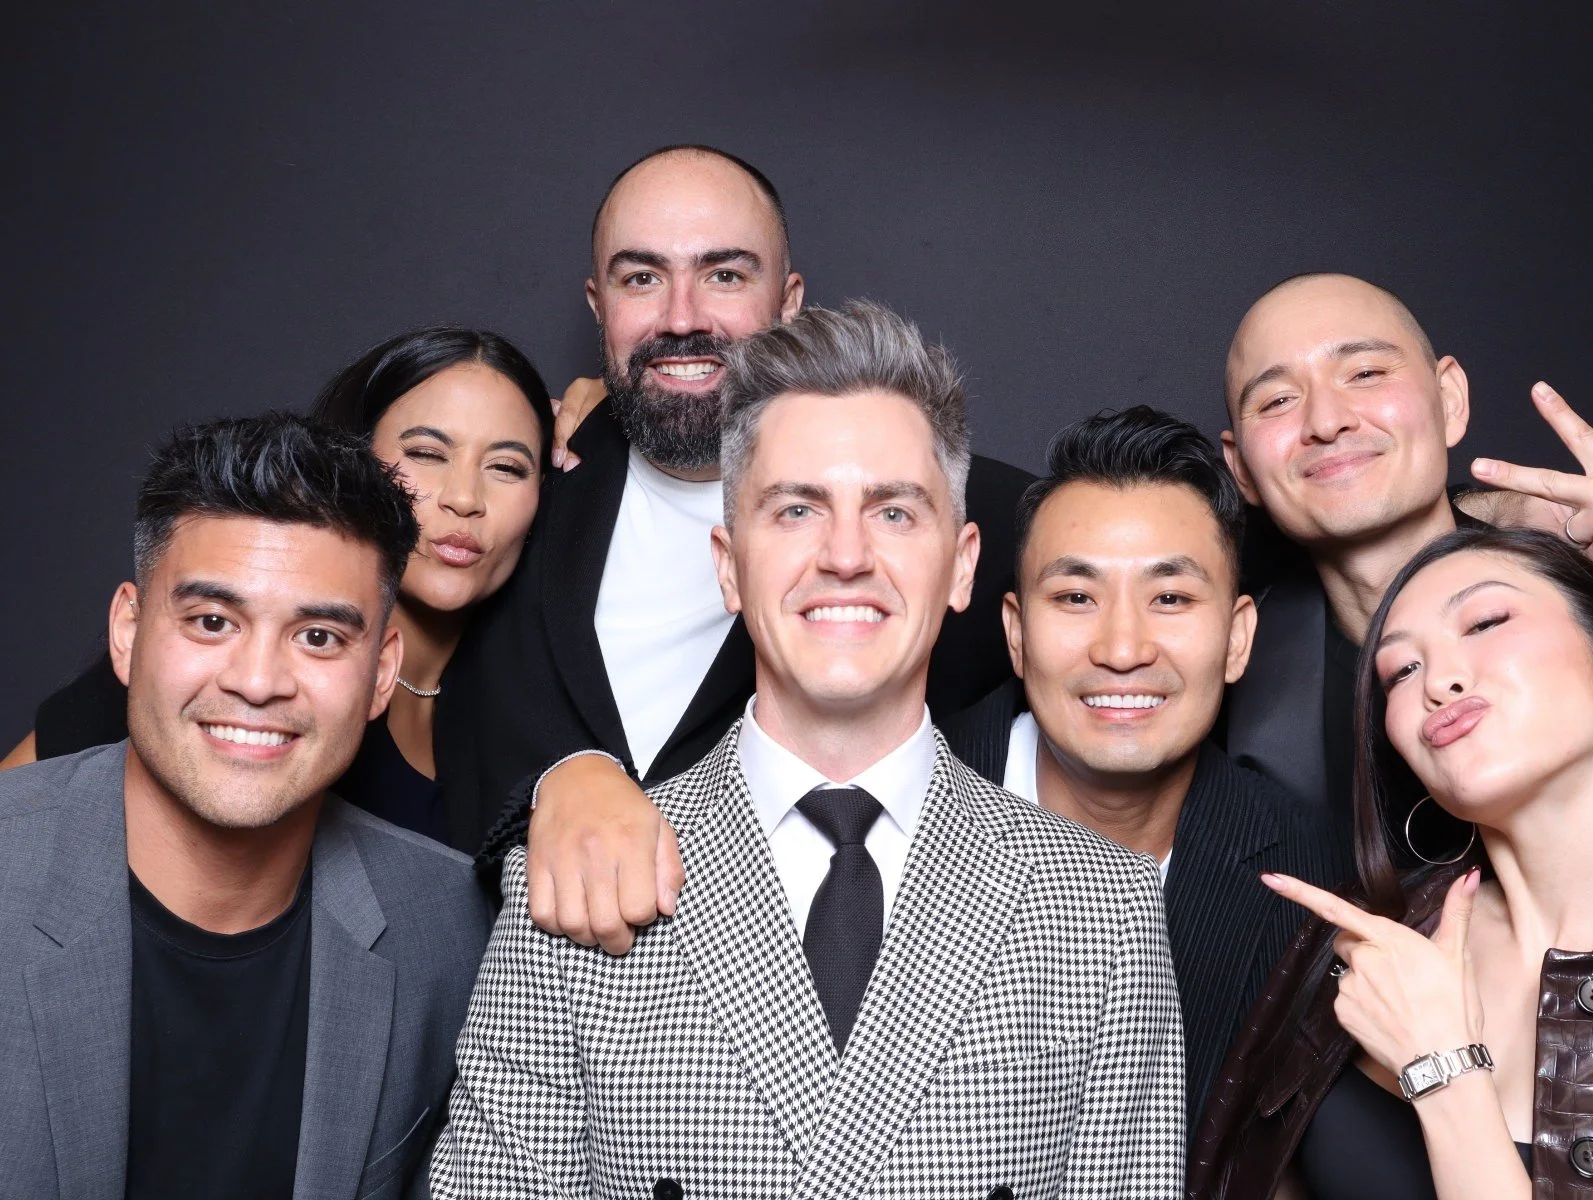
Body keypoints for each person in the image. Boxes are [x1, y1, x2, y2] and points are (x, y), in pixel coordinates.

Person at [431, 303, 1185, 1196]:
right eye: (796, 509)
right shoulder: (570, 886)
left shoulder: (1104, 909)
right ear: (727, 564)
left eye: (896, 513)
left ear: (963, 565)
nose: (845, 555)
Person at [439, 144, 1033, 946]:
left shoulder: (969, 513)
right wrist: (559, 779)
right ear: (597, 304)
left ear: (789, 300)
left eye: (725, 275)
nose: (682, 317)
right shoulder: (516, 493)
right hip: (532, 987)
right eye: (641, 277)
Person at [1190, 526, 1593, 1198]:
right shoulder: (1358, 948)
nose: (1439, 682)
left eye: (1485, 622)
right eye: (1402, 671)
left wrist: (1444, 1072)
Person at [1216, 271, 1593, 948]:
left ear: (1450, 399)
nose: (1326, 421)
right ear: (1242, 469)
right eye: (1279, 400)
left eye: (1367, 372)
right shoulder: (1225, 669)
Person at [0, 415, 491, 1199]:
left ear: (379, 673)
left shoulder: (454, 933)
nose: (258, 681)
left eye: (321, 638)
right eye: (213, 622)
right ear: (127, 633)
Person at [939, 405, 1347, 1123]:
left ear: (1236, 639)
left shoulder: (1315, 884)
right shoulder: (878, 815)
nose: (1123, 649)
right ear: (1016, 632)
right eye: (1075, 597)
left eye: (1170, 598)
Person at [5, 326, 554, 846]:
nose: (464, 498)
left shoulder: (529, 688)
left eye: (507, 467)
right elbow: (19, 814)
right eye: (427, 454)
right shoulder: (207, 656)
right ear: (355, 463)